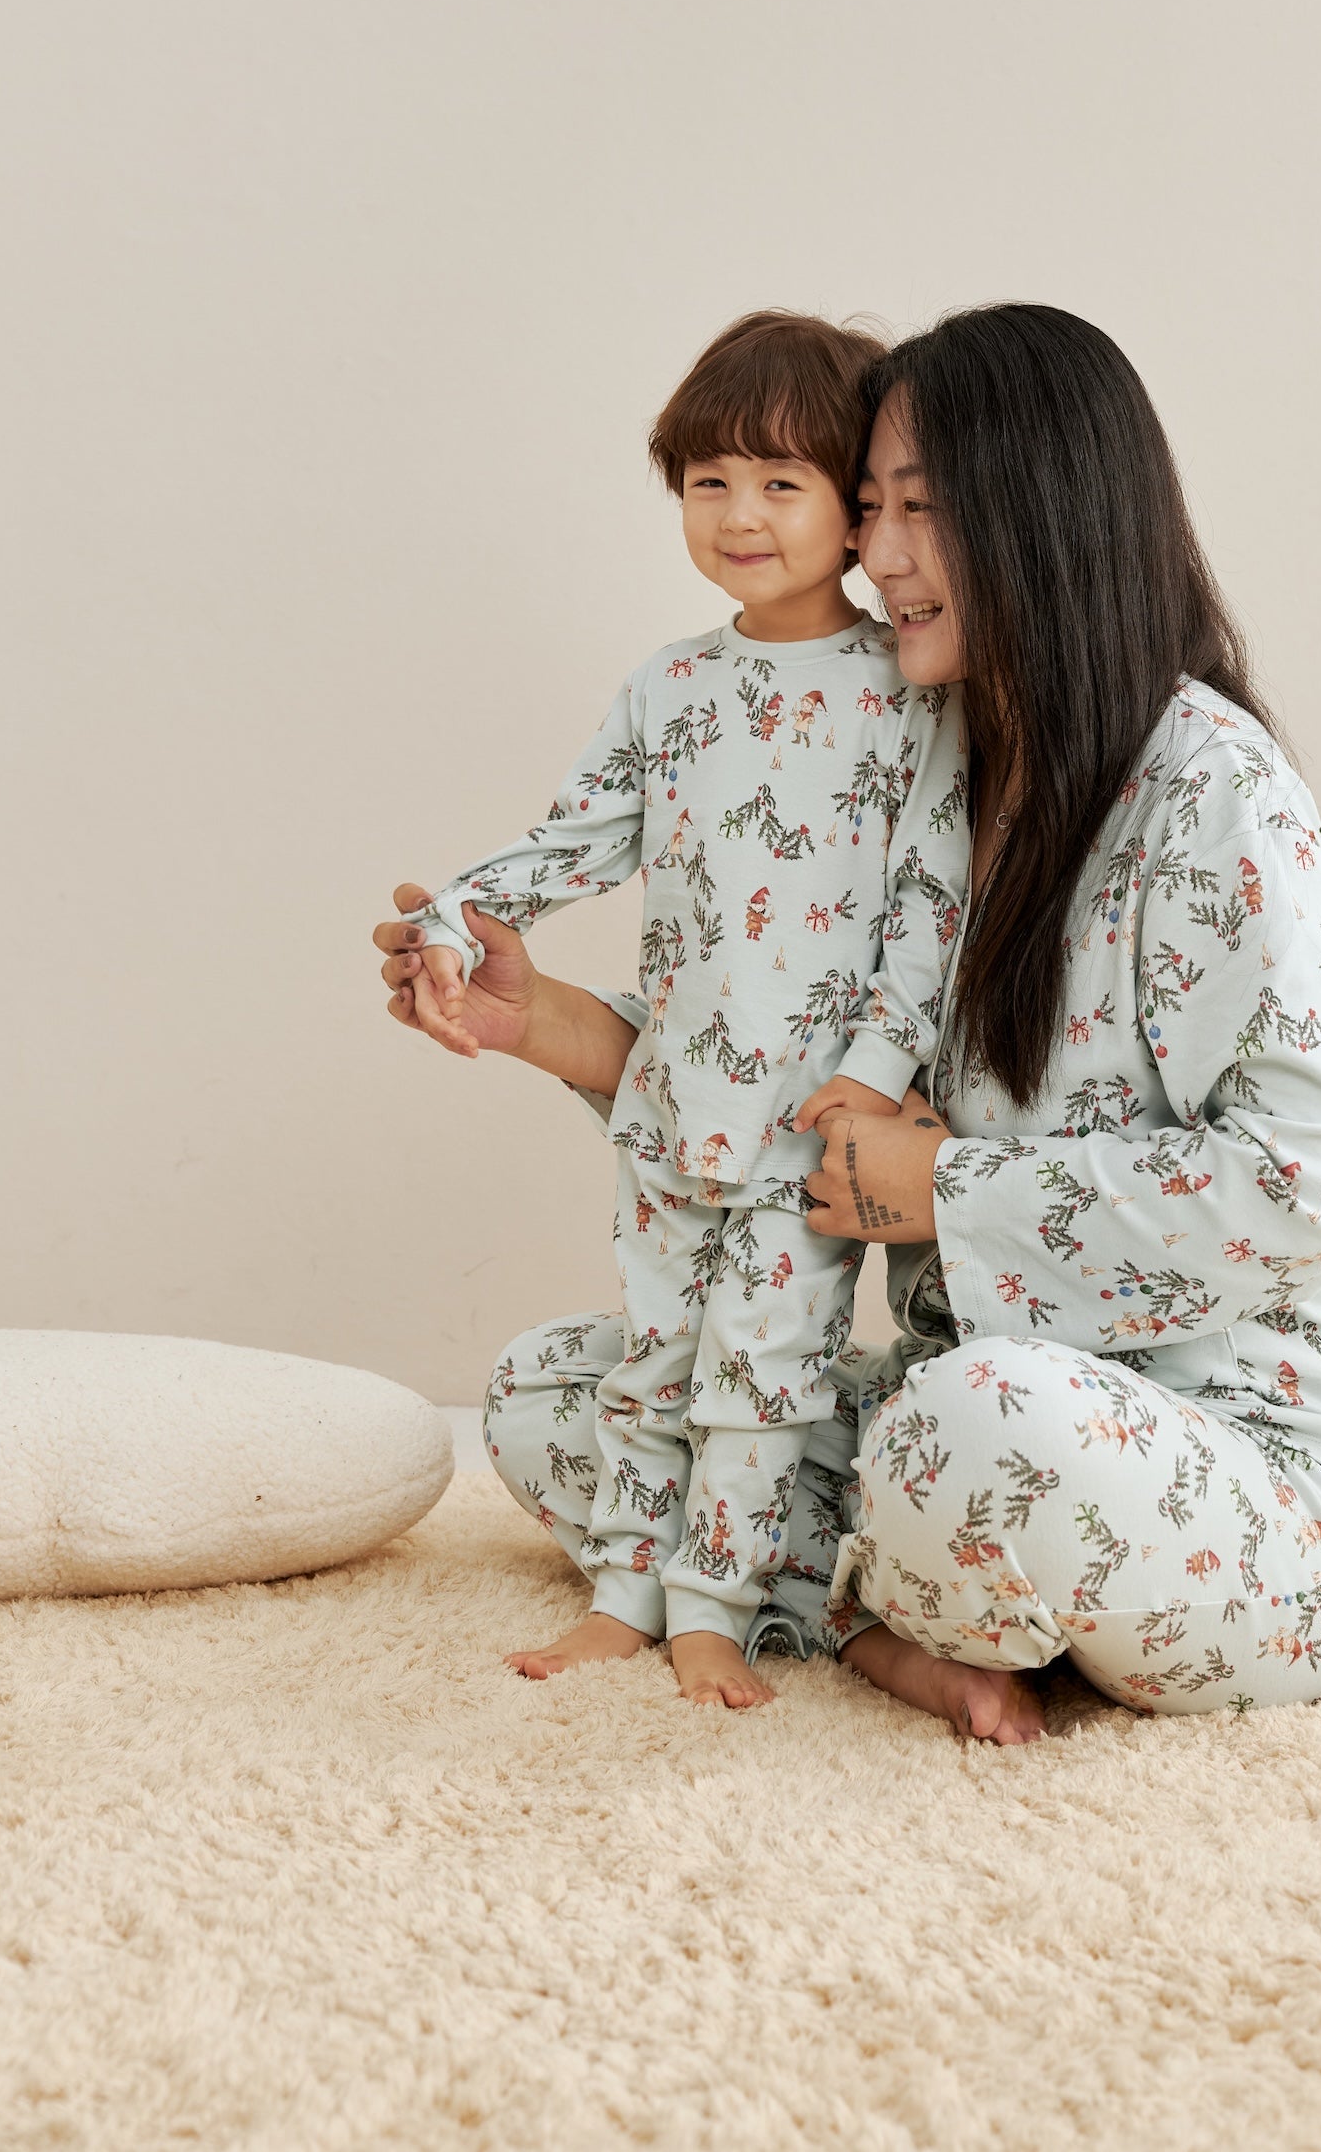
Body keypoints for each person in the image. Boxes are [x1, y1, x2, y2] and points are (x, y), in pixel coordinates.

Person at [379, 302, 1321, 1743]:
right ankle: (893, 1609)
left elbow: (1308, 1191)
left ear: (1045, 518)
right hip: (947, 1401)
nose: (874, 559)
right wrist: (542, 1022)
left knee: (977, 1432)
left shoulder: (1212, 791)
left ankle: (876, 1594)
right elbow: (781, 1091)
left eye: (920, 513)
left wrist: (939, 1190)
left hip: (1247, 1470)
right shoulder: (929, 755)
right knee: (551, 1395)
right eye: (869, 509)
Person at [384, 310, 965, 1709]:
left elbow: (929, 906)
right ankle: (626, 1594)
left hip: (812, 1128)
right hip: (673, 1109)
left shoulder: (909, 691)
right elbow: (572, 839)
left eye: (780, 483)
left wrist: (879, 1072)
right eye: (709, 482)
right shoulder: (674, 689)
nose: (740, 515)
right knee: (654, 1361)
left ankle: (716, 1607)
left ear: (853, 510)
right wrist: (455, 913)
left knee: (765, 1376)